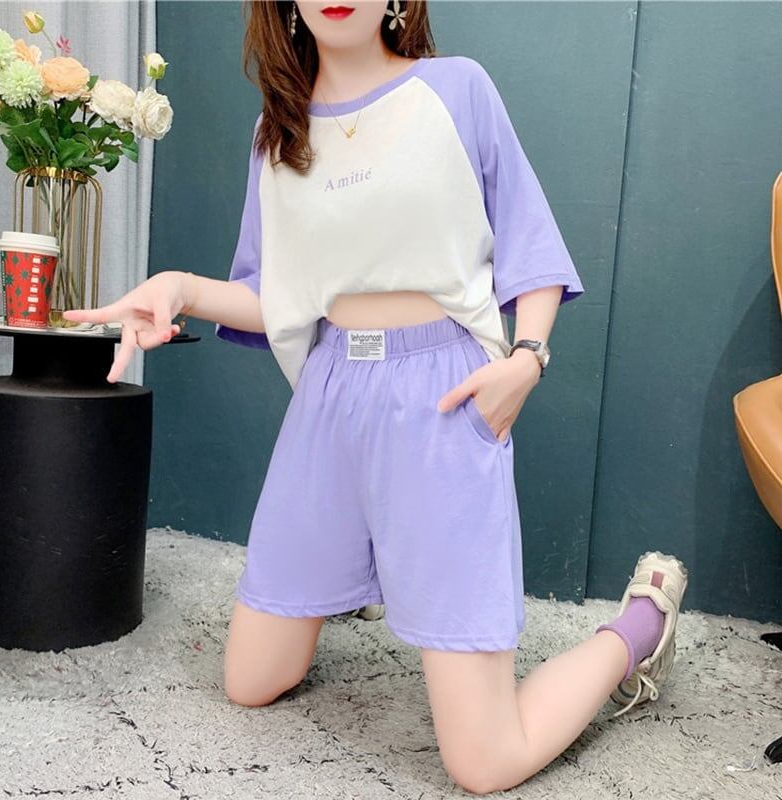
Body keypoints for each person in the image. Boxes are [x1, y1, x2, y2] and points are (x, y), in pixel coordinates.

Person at [63, 1, 689, 794]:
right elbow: (273, 296)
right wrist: (178, 287)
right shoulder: (276, 134)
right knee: (251, 681)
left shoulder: (456, 90)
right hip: (330, 397)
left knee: (484, 761)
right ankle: (366, 571)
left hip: (442, 391)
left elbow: (529, 244)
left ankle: (639, 626)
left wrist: (527, 357)